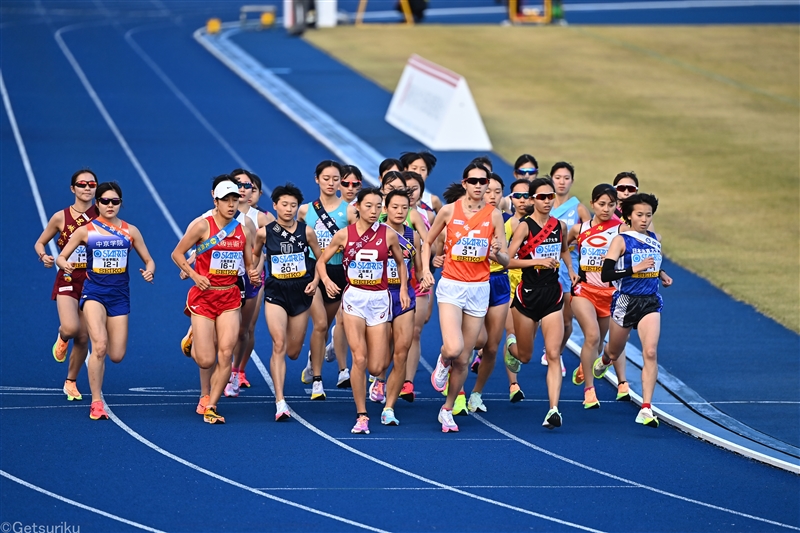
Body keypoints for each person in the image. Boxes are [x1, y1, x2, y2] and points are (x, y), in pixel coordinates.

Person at [56, 182, 155, 420]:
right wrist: (64, 263)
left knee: (117, 354)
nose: (110, 205)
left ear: (121, 203)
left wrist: (150, 271)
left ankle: (96, 390)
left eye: (115, 201)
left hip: (119, 296)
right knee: (98, 346)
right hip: (94, 294)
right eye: (105, 201)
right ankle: (96, 402)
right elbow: (61, 256)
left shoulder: (131, 231)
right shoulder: (85, 230)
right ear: (97, 203)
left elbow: (149, 260)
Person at [422, 163, 509, 433]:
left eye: (483, 182)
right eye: (474, 181)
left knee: (464, 358)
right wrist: (426, 269)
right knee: (453, 348)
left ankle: (447, 409)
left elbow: (505, 260)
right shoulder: (449, 211)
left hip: (479, 289)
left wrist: (496, 253)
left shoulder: (494, 216)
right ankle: (442, 359)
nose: (479, 186)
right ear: (465, 183)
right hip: (451, 286)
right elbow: (427, 242)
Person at [316, 188, 409, 434]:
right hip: (354, 298)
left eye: (378, 206)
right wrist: (325, 280)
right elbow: (321, 261)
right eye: (369, 206)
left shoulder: (388, 235)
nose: (374, 210)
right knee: (359, 359)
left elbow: (400, 262)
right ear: (357, 206)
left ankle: (372, 385)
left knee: (377, 366)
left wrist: (402, 290)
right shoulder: (344, 235)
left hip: (379, 299)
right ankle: (362, 414)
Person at [171, 177, 260, 424]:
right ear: (216, 201)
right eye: (226, 200)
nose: (231, 205)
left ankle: (211, 405)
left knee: (226, 354)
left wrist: (252, 273)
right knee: (206, 359)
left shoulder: (243, 230)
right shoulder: (202, 226)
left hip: (230, 296)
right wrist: (194, 274)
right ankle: (193, 339)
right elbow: (176, 253)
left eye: (235, 200)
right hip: (203, 297)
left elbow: (249, 264)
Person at [593, 193, 673, 427]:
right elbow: (607, 275)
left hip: (650, 301)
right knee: (614, 352)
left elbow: (652, 263)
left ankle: (646, 408)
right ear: (628, 216)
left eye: (648, 215)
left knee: (650, 352)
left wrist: (662, 273)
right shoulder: (621, 240)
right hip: (625, 301)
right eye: (639, 215)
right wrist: (633, 269)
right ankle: (604, 360)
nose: (645, 219)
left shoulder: (654, 239)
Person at [504, 177, 576, 429]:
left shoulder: (560, 226)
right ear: (533, 199)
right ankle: (511, 347)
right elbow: (508, 261)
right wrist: (535, 262)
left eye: (550, 197)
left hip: (552, 296)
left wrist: (570, 267)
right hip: (527, 296)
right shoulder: (524, 227)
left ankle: (553, 409)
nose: (547, 201)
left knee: (554, 353)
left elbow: (564, 249)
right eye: (542, 197)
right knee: (524, 356)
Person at [254, 184, 322, 421]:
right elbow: (255, 255)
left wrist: (315, 281)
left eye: (293, 205)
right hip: (276, 293)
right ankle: (280, 401)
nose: (289, 209)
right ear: (275, 205)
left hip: (301, 292)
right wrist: (255, 271)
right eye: (284, 204)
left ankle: (299, 364)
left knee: (293, 352)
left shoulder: (307, 232)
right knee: (279, 343)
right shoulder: (264, 232)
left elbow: (320, 260)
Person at [34, 169, 99, 402]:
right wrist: (44, 257)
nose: (87, 188)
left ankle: (70, 381)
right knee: (71, 329)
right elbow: (40, 243)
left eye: (92, 184)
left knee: (83, 337)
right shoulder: (60, 217)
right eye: (82, 184)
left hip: (93, 282)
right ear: (73, 189)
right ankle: (62, 338)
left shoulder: (102, 214)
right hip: (68, 279)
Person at [298, 160, 357, 398]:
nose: (331, 183)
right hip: (312, 272)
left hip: (337, 273)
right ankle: (318, 382)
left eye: (336, 179)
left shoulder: (350, 211)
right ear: (317, 179)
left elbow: (356, 240)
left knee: (325, 327)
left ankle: (314, 358)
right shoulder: (305, 210)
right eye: (326, 179)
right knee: (320, 324)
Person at [566, 184, 623, 409]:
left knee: (598, 344)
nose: (606, 209)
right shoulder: (580, 230)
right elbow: (563, 247)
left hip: (610, 294)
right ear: (592, 204)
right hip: (584, 291)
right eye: (601, 204)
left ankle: (584, 366)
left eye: (611, 205)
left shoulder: (622, 230)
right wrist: (571, 270)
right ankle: (590, 391)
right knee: (591, 336)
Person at [464, 173, 513, 414]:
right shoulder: (467, 216)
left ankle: (476, 393)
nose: (491, 195)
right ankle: (456, 388)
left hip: (499, 282)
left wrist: (498, 255)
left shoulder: (506, 220)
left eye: (497, 191)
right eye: (488, 190)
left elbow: (506, 261)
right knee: (473, 341)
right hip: (474, 281)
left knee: (492, 347)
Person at [536, 162, 591, 377]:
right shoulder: (542, 204)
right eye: (558, 177)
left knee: (567, 320)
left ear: (572, 181)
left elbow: (591, 236)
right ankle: (550, 351)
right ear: (551, 179)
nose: (561, 182)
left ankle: (556, 351)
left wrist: (574, 242)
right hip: (544, 267)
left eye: (566, 178)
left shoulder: (578, 208)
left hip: (570, 268)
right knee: (547, 314)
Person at [226, 169, 274, 397]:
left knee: (246, 329)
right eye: (239, 185)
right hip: (225, 277)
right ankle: (223, 369)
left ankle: (238, 370)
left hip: (253, 277)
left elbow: (276, 244)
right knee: (226, 328)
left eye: (248, 186)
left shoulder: (260, 218)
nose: (244, 190)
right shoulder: (220, 215)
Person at [375, 189, 421, 424]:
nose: (400, 211)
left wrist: (426, 276)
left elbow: (420, 269)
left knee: (401, 352)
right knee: (379, 362)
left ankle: (389, 408)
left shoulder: (413, 237)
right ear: (386, 208)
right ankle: (379, 378)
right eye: (395, 207)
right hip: (378, 296)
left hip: (404, 297)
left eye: (404, 208)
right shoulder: (377, 233)